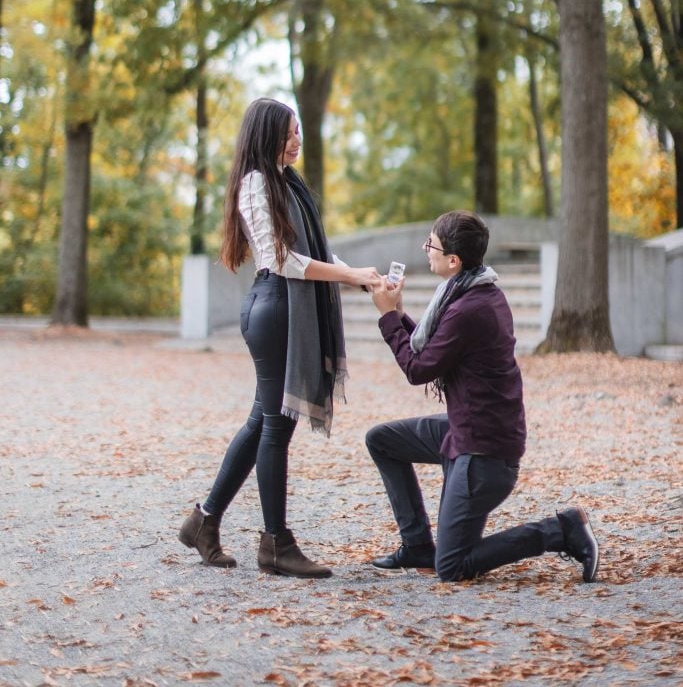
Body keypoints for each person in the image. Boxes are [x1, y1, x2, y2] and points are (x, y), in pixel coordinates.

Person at [179, 98, 381, 579]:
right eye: (291, 133)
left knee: (262, 422)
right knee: (276, 425)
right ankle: (275, 544)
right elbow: (284, 259)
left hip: (289, 307)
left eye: (299, 133)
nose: (298, 141)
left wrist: (359, 276)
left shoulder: (289, 183)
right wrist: (349, 274)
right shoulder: (255, 184)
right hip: (274, 308)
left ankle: (203, 522)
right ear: (268, 134)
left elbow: (315, 247)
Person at [365, 210, 599, 584]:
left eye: (432, 245)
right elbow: (434, 351)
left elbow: (418, 369)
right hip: (465, 430)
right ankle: (418, 546)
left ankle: (561, 530)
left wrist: (387, 318)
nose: (426, 251)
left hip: (484, 451)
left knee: (453, 567)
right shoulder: (470, 292)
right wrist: (398, 313)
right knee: (382, 440)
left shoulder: (469, 308)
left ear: (453, 260)